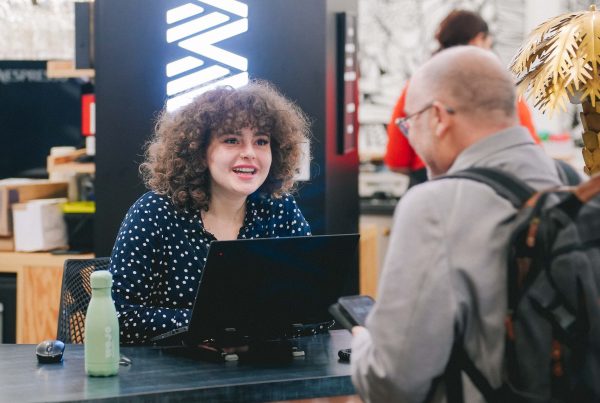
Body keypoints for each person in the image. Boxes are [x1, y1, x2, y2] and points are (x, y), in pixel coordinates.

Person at [350, 46, 562, 403]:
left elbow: (392, 382)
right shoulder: (569, 182)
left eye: (408, 123)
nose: (410, 138)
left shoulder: (435, 206)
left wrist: (361, 343)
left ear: (437, 117)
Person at [108, 81, 312, 345]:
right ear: (199, 152)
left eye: (261, 141)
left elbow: (309, 307)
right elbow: (117, 316)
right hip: (172, 375)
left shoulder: (280, 211)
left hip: (260, 370)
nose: (249, 153)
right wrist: (215, 323)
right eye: (231, 140)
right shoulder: (154, 213)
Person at [384, 9, 540, 187]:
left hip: (428, 189)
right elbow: (531, 149)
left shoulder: (417, 88)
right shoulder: (501, 88)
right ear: (478, 40)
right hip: (497, 191)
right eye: (489, 44)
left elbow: (396, 160)